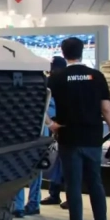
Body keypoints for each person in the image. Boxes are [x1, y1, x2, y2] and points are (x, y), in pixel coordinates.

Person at [47, 37, 110, 220]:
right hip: (93, 138)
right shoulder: (97, 76)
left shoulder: (57, 78)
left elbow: (41, 104)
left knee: (73, 185)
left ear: (63, 53)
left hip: (69, 137)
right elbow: (106, 108)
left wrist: (50, 124)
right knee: (96, 183)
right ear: (81, 51)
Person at [42, 56, 68, 206]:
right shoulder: (65, 80)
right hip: (61, 124)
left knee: (62, 162)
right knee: (61, 162)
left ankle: (56, 195)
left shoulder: (51, 81)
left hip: (56, 124)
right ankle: (57, 195)